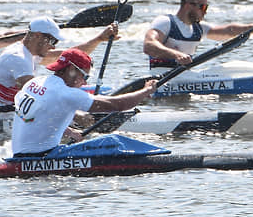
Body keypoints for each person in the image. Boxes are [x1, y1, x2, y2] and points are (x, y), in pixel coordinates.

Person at [10, 48, 158, 157]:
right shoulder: (66, 93)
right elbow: (117, 105)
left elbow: (37, 116)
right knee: (112, 142)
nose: (83, 83)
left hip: (18, 154)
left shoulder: (35, 82)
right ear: (71, 69)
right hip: (42, 156)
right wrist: (146, 91)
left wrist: (68, 131)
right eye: (84, 77)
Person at [0, 16, 117, 118]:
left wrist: (99, 39)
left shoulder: (29, 52)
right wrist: (76, 116)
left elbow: (71, 56)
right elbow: (37, 96)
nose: (53, 46)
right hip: (2, 121)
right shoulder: (17, 58)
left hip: (15, 116)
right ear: (37, 36)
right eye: (52, 41)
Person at [143, 0, 253, 69]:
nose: (205, 11)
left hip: (185, 77)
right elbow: (149, 45)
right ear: (188, 5)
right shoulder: (165, 22)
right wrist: (176, 55)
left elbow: (228, 31)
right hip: (160, 78)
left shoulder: (199, 28)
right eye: (203, 7)